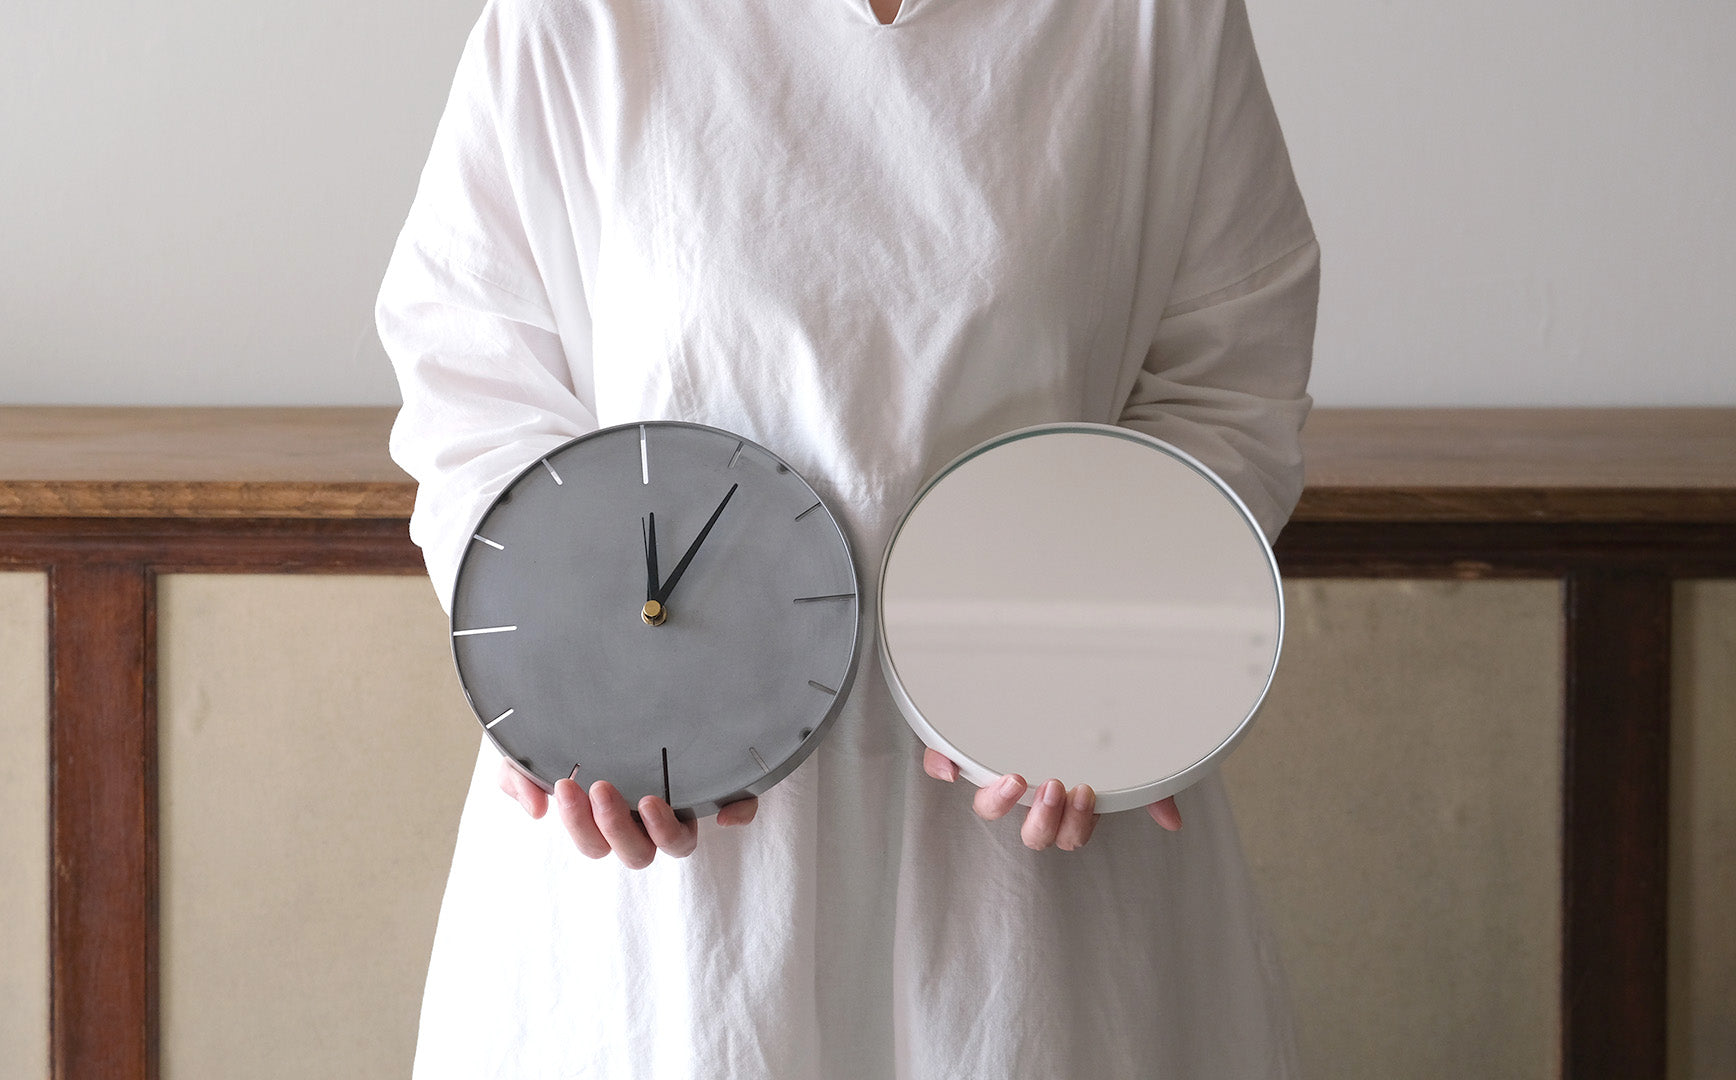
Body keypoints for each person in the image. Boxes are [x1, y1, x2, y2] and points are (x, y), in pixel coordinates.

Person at [377, 0, 1318, 1075]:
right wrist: (552, 696)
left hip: (1029, 830)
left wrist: (1126, 689)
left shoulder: (1155, 20)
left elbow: (1228, 386)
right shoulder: (577, 19)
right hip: (662, 814)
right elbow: (472, 384)